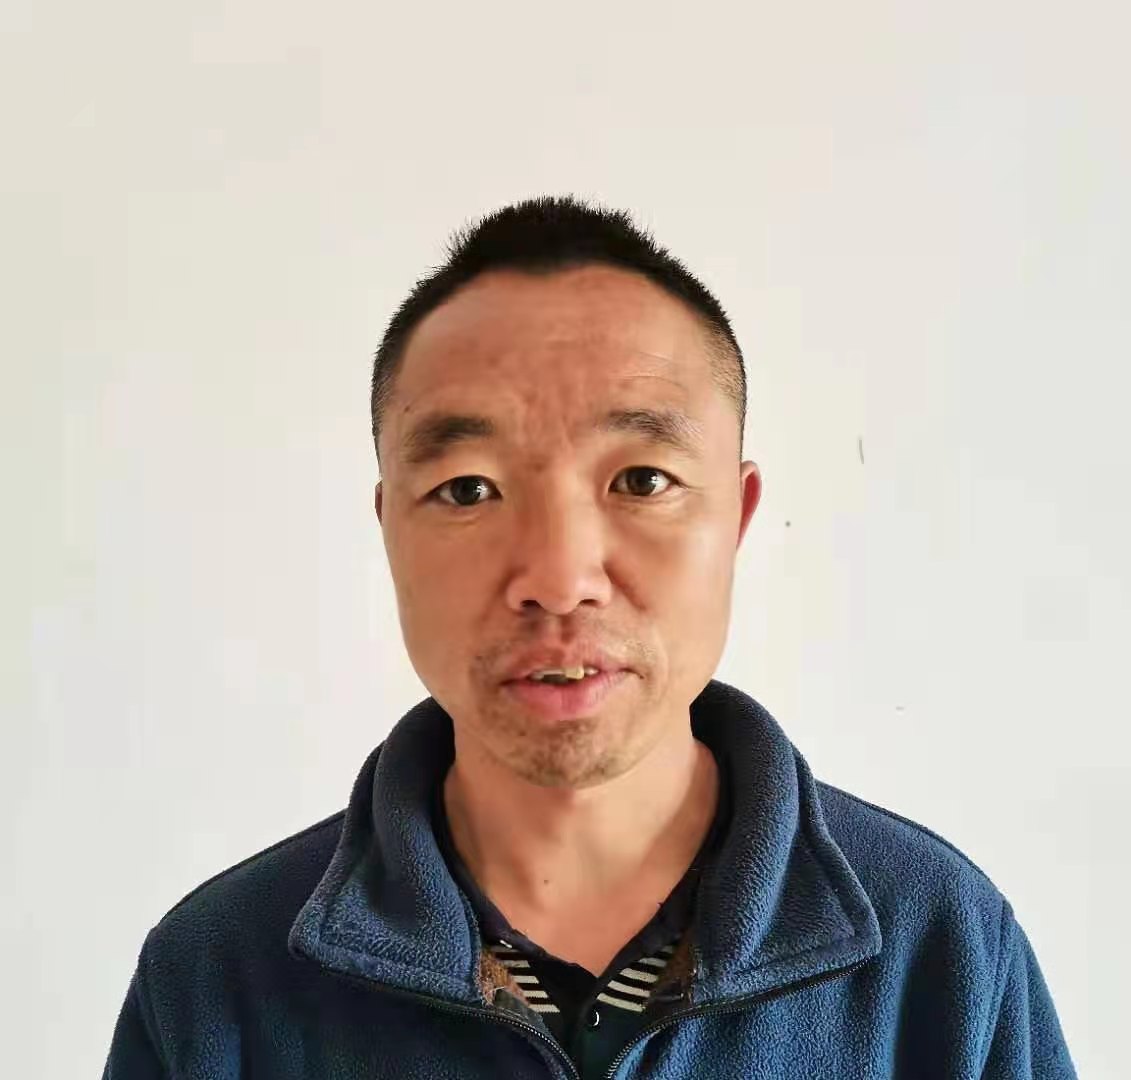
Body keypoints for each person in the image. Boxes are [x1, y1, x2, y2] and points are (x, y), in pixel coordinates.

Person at [103, 196, 1076, 1078]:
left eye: (642, 481)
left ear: (736, 520)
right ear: (389, 527)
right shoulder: (216, 980)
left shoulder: (939, 948)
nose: (560, 578)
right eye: (467, 489)